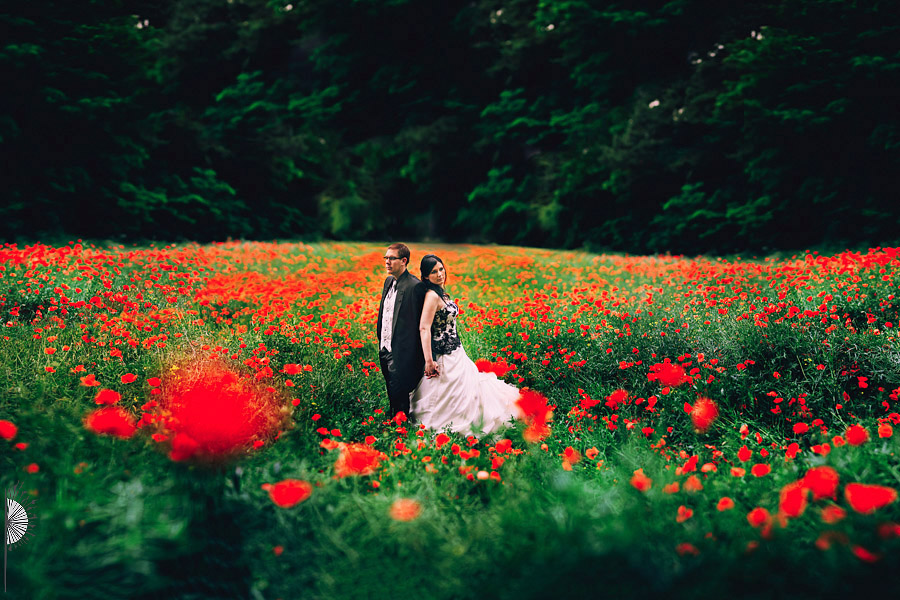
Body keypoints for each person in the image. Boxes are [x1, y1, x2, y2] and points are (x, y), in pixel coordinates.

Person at [411, 254, 521, 437]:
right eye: (433, 272)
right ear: (425, 277)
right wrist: (429, 361)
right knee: (447, 393)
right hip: (443, 354)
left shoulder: (441, 292)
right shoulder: (431, 296)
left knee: (470, 389)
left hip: (456, 351)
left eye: (441, 269)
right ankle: (449, 423)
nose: (439, 274)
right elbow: (424, 328)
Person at [377, 243, 426, 421]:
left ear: (404, 261)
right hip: (385, 347)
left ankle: (400, 430)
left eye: (392, 258)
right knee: (392, 392)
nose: (387, 262)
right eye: (386, 258)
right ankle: (395, 423)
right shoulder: (389, 281)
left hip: (401, 352)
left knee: (400, 395)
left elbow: (420, 323)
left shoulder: (414, 286)